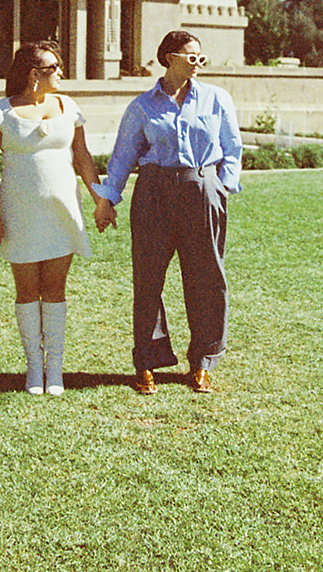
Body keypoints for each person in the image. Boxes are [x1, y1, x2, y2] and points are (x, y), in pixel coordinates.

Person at [93, 30, 242, 395]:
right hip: (153, 193)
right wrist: (107, 199)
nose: (198, 64)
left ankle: (203, 362)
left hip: (202, 190)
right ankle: (147, 361)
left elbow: (232, 147)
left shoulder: (216, 99)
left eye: (201, 58)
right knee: (148, 278)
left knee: (207, 278)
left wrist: (223, 184)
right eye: (191, 57)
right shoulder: (143, 106)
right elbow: (123, 156)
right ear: (169, 58)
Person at [0, 41, 113, 395]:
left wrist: (101, 199)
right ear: (33, 73)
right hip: (19, 212)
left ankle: (54, 369)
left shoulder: (68, 106)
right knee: (27, 290)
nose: (60, 73)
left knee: (54, 289)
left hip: (61, 209)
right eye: (53, 68)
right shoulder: (0, 112)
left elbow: (83, 158)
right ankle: (32, 369)